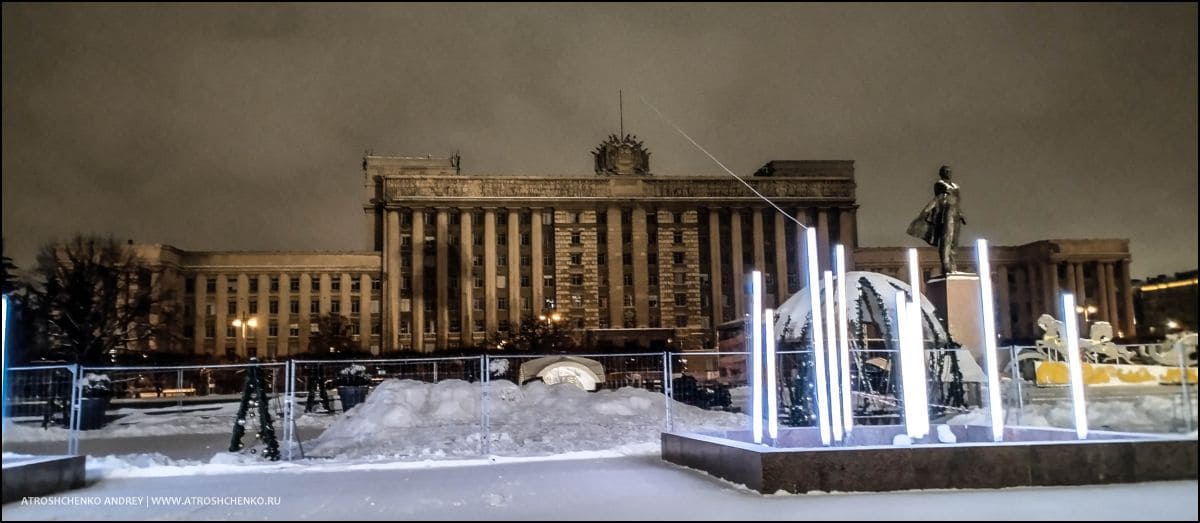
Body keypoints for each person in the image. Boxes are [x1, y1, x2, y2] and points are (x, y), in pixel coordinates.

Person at [907, 165, 966, 275]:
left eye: (949, 171)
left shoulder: (955, 186)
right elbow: (938, 199)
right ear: (941, 173)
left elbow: (956, 200)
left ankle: (953, 265)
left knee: (954, 241)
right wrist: (925, 214)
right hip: (946, 213)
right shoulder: (940, 185)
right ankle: (946, 264)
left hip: (955, 213)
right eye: (946, 171)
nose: (948, 173)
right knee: (946, 239)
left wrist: (960, 213)